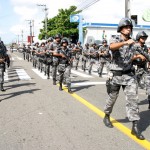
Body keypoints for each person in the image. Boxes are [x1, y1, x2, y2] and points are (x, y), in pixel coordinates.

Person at [103, 18, 146, 140]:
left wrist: (138, 56)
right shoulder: (115, 38)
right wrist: (125, 43)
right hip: (116, 74)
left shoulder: (133, 43)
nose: (128, 29)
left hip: (129, 75)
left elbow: (130, 57)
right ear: (121, 29)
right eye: (126, 27)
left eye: (130, 27)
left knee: (133, 100)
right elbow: (112, 47)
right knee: (112, 98)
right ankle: (106, 115)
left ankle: (135, 126)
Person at [133, 31, 150, 110]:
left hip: (144, 69)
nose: (144, 39)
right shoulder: (134, 46)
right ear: (138, 38)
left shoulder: (145, 47)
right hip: (134, 69)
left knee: (149, 85)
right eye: (142, 38)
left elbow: (147, 57)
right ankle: (133, 103)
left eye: (145, 38)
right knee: (134, 87)